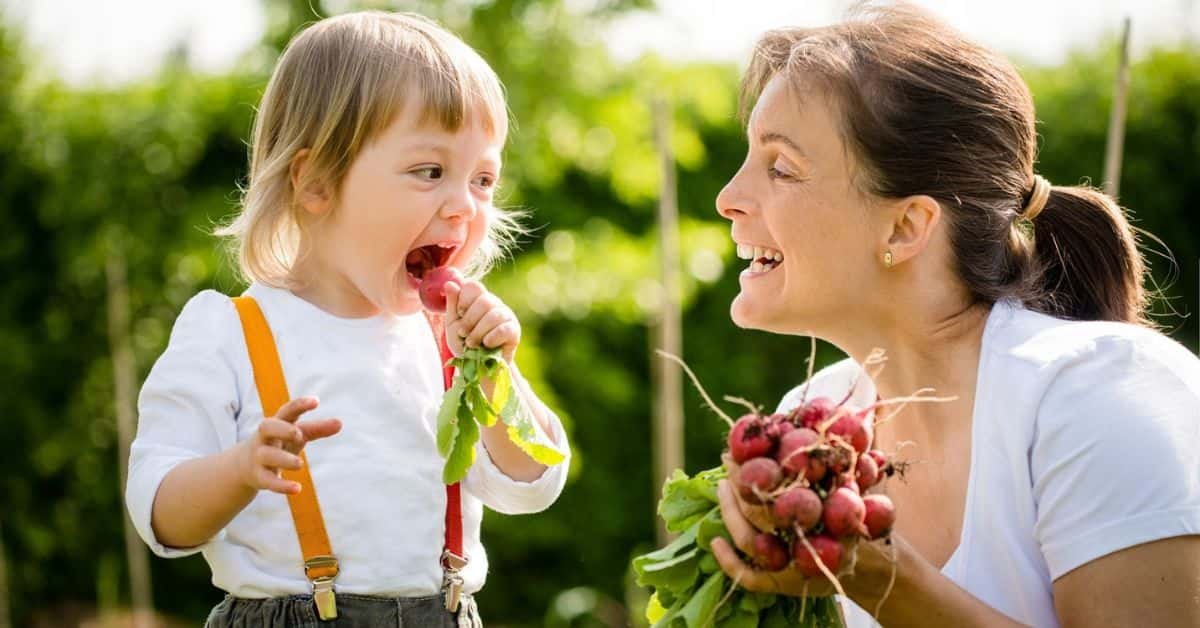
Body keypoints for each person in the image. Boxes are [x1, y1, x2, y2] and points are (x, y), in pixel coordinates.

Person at [709, 3, 1200, 626]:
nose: (728, 198)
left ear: (908, 225)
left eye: (781, 167)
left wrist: (889, 585)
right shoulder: (811, 426)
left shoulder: (1100, 391)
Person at [124, 11, 569, 627]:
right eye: (430, 171)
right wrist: (239, 470)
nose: (465, 205)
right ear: (316, 183)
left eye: (484, 179)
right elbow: (159, 512)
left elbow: (533, 485)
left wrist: (496, 375)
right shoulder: (231, 330)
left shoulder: (448, 343)